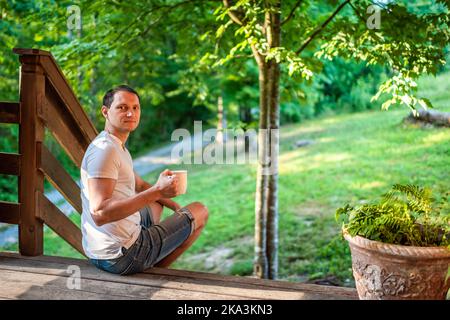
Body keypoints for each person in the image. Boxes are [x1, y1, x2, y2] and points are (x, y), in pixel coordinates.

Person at [80, 84, 208, 275]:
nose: (130, 113)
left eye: (135, 108)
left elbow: (139, 184)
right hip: (121, 256)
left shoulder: (114, 144)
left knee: (156, 204)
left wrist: (173, 205)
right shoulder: (105, 151)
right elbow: (100, 213)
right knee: (200, 211)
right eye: (122, 107)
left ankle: (150, 254)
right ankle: (152, 271)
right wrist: (157, 190)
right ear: (105, 112)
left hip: (100, 251)